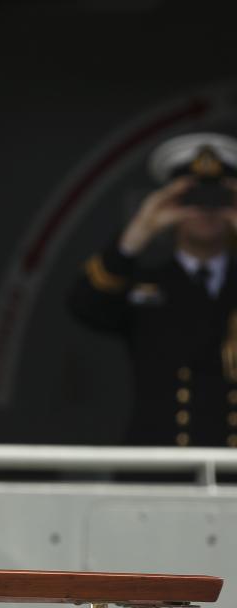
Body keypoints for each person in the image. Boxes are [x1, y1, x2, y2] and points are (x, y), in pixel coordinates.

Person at [69, 132, 237, 448]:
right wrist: (140, 230)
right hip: (161, 469)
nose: (206, 209)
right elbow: (84, 306)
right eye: (192, 198)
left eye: (219, 198)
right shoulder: (146, 284)